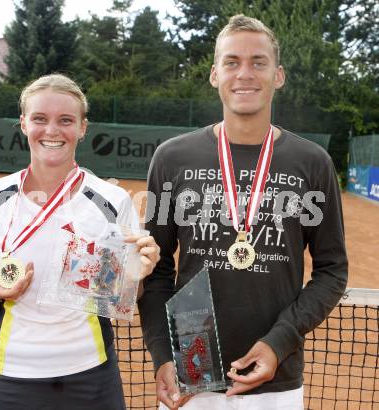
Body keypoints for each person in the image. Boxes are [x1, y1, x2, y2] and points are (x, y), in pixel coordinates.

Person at [138, 14, 347, 410]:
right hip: (192, 371)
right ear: (215, 74)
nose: (245, 74)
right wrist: (163, 354)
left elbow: (332, 269)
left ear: (278, 75)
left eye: (259, 62)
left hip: (277, 380)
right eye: (232, 62)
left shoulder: (312, 162)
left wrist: (278, 342)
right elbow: (157, 267)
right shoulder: (172, 158)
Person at [0, 73, 160, 410]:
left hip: (92, 375)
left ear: (82, 127)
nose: (52, 130)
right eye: (40, 119)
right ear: (23, 123)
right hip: (12, 374)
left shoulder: (113, 200)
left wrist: (135, 274)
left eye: (65, 120)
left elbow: (129, 297)